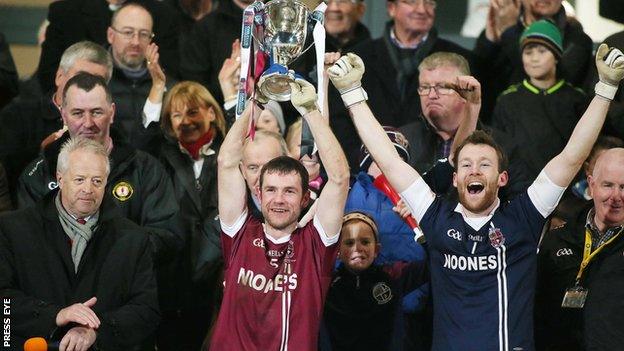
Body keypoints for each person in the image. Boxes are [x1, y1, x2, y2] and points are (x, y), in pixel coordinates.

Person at [326, 45, 624, 350]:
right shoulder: (436, 217)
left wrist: (606, 89)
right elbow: (389, 161)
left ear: (502, 178)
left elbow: (572, 157)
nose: (474, 171)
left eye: (485, 165)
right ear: (455, 179)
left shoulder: (523, 216)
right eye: (466, 165)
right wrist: (351, 92)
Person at [210, 76, 350, 349]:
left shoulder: (315, 246)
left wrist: (310, 109)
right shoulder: (239, 233)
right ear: (259, 194)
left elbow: (340, 177)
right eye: (271, 190)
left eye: (289, 191)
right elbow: (227, 161)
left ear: (305, 198)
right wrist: (257, 102)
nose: (279, 200)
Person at [0, 137, 159, 350]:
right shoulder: (13, 229)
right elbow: (4, 303)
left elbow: (146, 311)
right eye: (79, 179)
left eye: (96, 181)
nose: (88, 189)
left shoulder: (133, 238)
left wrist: (96, 332)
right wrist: (56, 315)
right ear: (60, 178)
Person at [17, 72, 181, 264]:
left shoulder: (145, 169)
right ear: (63, 114)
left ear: (111, 113)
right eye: (77, 113)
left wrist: (105, 255)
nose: (88, 123)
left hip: (127, 284)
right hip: (57, 290)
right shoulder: (38, 174)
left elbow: (166, 235)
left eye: (96, 112)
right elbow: (28, 242)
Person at [399, 51, 529, 199]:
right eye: (425, 87)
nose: (431, 95)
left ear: (466, 91)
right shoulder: (403, 140)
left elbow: (520, 204)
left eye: (442, 87)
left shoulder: (502, 146)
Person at [156, 81, 227, 351]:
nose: (186, 122)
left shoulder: (228, 153)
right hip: (173, 278)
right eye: (177, 115)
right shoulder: (159, 157)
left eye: (193, 112)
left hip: (217, 271)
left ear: (211, 112)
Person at [0, 41, 112, 202]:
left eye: (98, 81)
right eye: (80, 77)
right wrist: (43, 152)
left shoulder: (109, 124)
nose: (87, 87)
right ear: (60, 76)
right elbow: (6, 175)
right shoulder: (17, 115)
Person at [536, 148, 624, 350]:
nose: (616, 196)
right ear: (592, 186)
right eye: (608, 185)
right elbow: (537, 308)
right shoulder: (557, 239)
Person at [353, 0, 476, 129]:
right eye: (412, 2)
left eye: (429, 3)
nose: (422, 10)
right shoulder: (358, 58)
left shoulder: (461, 60)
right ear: (391, 8)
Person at [491, 19, 588, 181]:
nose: (534, 58)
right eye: (528, 52)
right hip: (519, 189)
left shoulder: (576, 99)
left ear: (557, 56)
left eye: (542, 51)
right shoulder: (507, 100)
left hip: (567, 190)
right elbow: (498, 149)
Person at [320, 211, 428, 351]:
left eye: (365, 242)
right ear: (338, 251)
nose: (357, 248)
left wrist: (418, 224)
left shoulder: (393, 276)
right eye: (349, 242)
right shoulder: (326, 285)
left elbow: (435, 262)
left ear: (376, 249)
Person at [474, 0, 592, 122]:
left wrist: (509, 31)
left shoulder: (577, 39)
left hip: (552, 126)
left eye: (542, 51)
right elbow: (476, 79)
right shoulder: (501, 29)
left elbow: (558, 78)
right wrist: (489, 42)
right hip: (498, 125)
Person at [37, 0, 180, 93]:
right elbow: (49, 78)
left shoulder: (163, 15)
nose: (136, 41)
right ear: (110, 34)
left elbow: (171, 74)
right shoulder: (65, 12)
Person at [106, 2, 175, 155]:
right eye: (128, 32)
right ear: (111, 35)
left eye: (143, 34)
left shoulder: (167, 86)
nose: (136, 42)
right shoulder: (97, 80)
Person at [180, 0, 251, 103]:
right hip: (222, 112)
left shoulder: (280, 20)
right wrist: (227, 86)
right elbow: (194, 86)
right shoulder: (205, 28)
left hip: (277, 112)